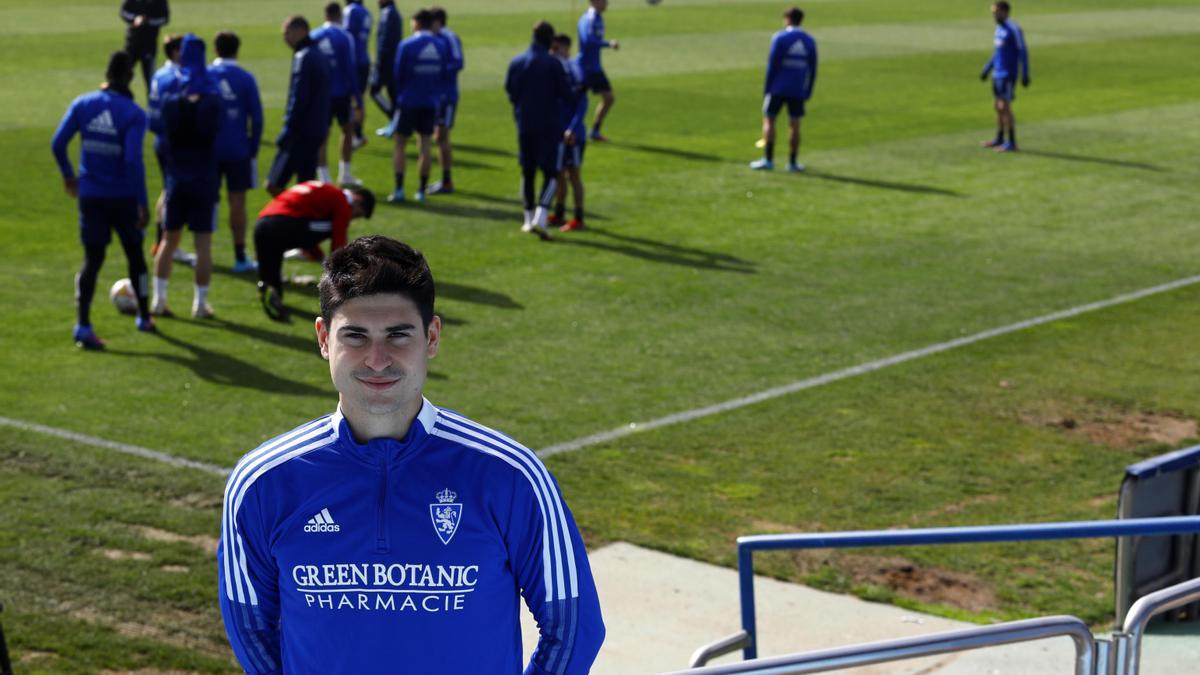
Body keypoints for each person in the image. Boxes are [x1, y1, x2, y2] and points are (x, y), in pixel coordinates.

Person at [217, 234, 605, 673]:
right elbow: (251, 631)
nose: (377, 359)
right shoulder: (264, 481)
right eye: (356, 336)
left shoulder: (510, 474)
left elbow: (574, 628)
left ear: (432, 336)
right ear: (324, 339)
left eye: (398, 335)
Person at [51, 51, 155, 349]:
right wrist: (142, 203)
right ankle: (145, 317)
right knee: (136, 257)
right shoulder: (134, 114)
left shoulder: (83, 104)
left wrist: (69, 175)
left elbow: (58, 143)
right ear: (129, 77)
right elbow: (134, 161)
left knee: (92, 261)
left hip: (91, 197)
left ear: (107, 74)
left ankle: (83, 324)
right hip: (123, 199)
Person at [153, 33, 221, 319]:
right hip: (203, 175)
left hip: (177, 176)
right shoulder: (213, 95)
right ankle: (199, 304)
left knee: (169, 240)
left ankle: (158, 300)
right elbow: (215, 135)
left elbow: (161, 134)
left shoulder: (169, 94)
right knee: (202, 245)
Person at [252, 181, 375, 320]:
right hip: (283, 224)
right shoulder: (342, 202)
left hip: (261, 223)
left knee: (270, 276)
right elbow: (338, 242)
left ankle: (271, 294)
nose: (352, 218)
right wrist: (339, 272)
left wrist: (318, 255)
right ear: (358, 200)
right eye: (357, 215)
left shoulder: (328, 191)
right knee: (330, 227)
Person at [506, 21, 569, 240]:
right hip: (549, 125)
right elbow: (566, 93)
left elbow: (511, 92)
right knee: (551, 172)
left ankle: (527, 218)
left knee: (528, 170)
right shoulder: (554, 64)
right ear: (551, 40)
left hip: (524, 123)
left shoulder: (517, 62)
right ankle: (541, 217)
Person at [209, 31, 263, 274]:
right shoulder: (245, 78)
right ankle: (240, 256)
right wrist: (252, 147)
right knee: (238, 203)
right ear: (237, 50)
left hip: (208, 151)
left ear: (215, 50)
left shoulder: (206, 76)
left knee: (209, 202)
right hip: (238, 150)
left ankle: (204, 253)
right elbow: (257, 118)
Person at [267, 16, 332, 196]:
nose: (284, 38)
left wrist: (288, 131)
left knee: (273, 185)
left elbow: (299, 98)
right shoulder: (319, 54)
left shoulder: (303, 57)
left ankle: (289, 217)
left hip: (299, 134)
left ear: (300, 31)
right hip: (316, 131)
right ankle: (303, 220)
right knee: (305, 188)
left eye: (287, 33)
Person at [147, 33, 196, 267]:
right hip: (174, 144)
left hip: (160, 139)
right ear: (176, 52)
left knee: (167, 191)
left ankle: (160, 242)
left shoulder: (159, 74)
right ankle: (168, 245)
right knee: (173, 194)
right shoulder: (178, 77)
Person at [387, 9, 446, 203]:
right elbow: (442, 75)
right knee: (426, 145)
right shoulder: (440, 45)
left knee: (400, 144)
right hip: (430, 102)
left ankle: (399, 189)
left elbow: (397, 76)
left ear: (418, 23)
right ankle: (421, 190)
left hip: (409, 101)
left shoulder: (407, 44)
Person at [751, 7, 817, 172]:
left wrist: (767, 88)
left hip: (777, 88)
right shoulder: (809, 40)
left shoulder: (780, 38)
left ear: (787, 19)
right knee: (795, 125)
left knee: (769, 120)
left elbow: (772, 65)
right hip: (797, 89)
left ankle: (768, 160)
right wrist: (808, 90)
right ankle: (793, 163)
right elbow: (813, 69)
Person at [313, 3, 362, 186]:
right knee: (347, 131)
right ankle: (345, 173)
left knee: (323, 134)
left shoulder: (314, 36)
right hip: (341, 93)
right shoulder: (345, 36)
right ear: (339, 15)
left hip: (321, 95)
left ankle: (324, 177)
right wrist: (357, 97)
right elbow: (350, 68)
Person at [550, 33, 588, 232]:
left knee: (573, 175)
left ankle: (579, 218)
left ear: (565, 49)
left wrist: (571, 129)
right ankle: (559, 213)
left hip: (574, 135)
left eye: (556, 49)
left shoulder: (575, 70)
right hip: (557, 133)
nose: (553, 53)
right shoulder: (554, 71)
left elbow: (582, 104)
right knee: (558, 174)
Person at [980, 1, 1029, 152]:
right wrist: (987, 69)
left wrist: (1025, 73)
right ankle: (999, 138)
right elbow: (998, 53)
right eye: (993, 13)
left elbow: (1023, 52)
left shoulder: (1013, 29)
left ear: (1005, 12)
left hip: (1008, 73)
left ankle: (1012, 143)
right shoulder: (999, 29)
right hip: (997, 74)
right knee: (997, 107)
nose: (994, 15)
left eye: (996, 12)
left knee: (1004, 106)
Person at [427, 6, 463, 195]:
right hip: (435, 96)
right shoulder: (433, 38)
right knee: (438, 137)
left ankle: (447, 181)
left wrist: (438, 71)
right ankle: (444, 179)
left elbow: (458, 62)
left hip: (446, 96)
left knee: (442, 137)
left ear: (437, 22)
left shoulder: (449, 37)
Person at [577, 0, 618, 142]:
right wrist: (608, 43)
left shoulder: (598, 17)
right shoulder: (589, 18)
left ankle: (594, 131)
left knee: (609, 98)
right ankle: (571, 130)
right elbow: (588, 41)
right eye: (603, 0)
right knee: (576, 100)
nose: (607, 3)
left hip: (595, 67)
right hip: (585, 68)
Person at [120, 0, 170, 97]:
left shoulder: (160, 2)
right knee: (122, 78)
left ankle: (152, 107)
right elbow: (124, 12)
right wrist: (134, 19)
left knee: (151, 82)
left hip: (149, 45)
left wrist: (148, 21)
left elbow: (164, 19)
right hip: (132, 44)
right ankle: (119, 104)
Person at [342, 0, 373, 146]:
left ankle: (353, 136)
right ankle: (358, 135)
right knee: (359, 99)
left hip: (352, 61)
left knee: (349, 99)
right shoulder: (366, 12)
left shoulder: (350, 10)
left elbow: (346, 36)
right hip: (364, 60)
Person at [371, 0, 402, 136]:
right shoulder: (392, 12)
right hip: (391, 61)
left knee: (374, 90)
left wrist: (380, 61)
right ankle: (395, 121)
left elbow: (385, 40)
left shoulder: (388, 13)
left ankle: (395, 119)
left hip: (386, 62)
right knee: (392, 94)